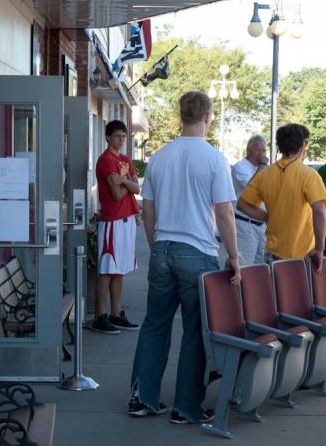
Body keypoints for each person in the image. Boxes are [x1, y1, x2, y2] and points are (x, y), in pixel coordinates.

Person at [128, 91, 241, 424]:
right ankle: (185, 407)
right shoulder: (214, 159)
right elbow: (225, 213)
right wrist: (234, 256)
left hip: (163, 248)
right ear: (208, 117)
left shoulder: (159, 158)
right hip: (197, 252)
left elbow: (148, 210)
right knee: (194, 330)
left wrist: (156, 245)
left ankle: (142, 398)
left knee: (155, 324)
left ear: (182, 116)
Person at [237, 123, 326, 272]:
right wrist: (319, 249)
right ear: (302, 145)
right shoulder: (309, 175)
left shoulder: (264, 175)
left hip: (272, 252)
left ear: (279, 146)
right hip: (302, 254)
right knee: (300, 288)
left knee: (274, 288)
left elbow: (242, 205)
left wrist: (269, 217)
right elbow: (319, 211)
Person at [92, 119, 140, 334]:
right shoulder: (105, 160)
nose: (121, 140)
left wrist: (124, 181)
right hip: (112, 221)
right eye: (118, 136)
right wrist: (127, 183)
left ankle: (116, 313)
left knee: (120, 270)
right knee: (107, 269)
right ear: (108, 137)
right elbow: (116, 194)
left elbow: (136, 188)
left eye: (124, 136)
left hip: (128, 220)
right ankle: (100, 316)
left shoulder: (126, 159)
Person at [232, 135, 268, 265]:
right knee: (244, 266)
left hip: (262, 225)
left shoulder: (266, 169)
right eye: (258, 150)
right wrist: (263, 165)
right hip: (245, 225)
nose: (262, 154)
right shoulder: (240, 167)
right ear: (249, 150)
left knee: (262, 266)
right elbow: (252, 188)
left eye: (264, 150)